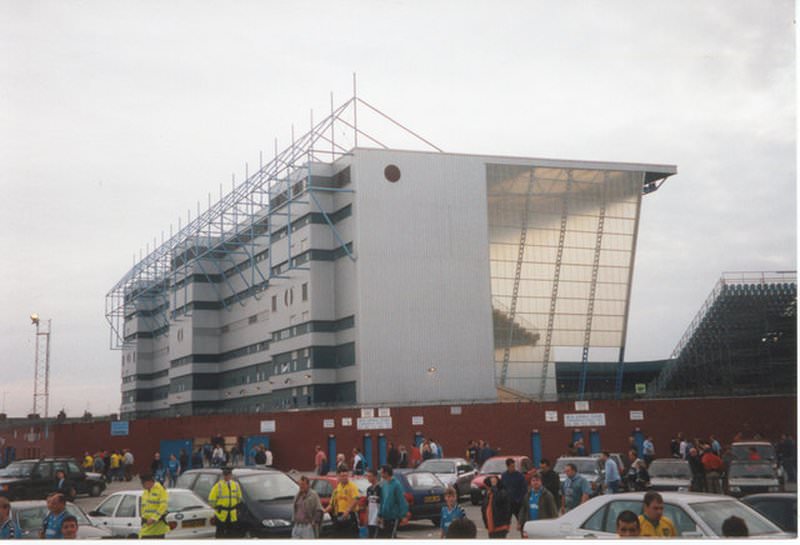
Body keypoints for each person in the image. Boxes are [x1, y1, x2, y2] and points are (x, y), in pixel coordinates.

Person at [324, 468, 360, 538]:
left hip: (350, 515)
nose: (344, 478)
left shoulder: (352, 486)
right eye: (342, 476)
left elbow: (356, 499)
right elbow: (332, 504)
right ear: (338, 477)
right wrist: (323, 511)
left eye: (346, 476)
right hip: (339, 515)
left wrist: (348, 510)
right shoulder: (337, 488)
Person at [208, 467, 243, 538]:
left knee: (232, 535)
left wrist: (237, 508)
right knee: (220, 534)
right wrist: (217, 507)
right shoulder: (218, 486)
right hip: (221, 514)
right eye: (225, 475)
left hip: (232, 514)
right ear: (223, 475)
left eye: (228, 475)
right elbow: (211, 500)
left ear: (231, 475)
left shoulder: (235, 485)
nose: (226, 476)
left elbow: (239, 498)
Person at [378, 464, 409, 538]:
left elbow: (401, 500)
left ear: (386, 473)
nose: (380, 474)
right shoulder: (384, 484)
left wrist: (403, 516)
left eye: (381, 472)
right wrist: (380, 514)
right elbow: (383, 500)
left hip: (393, 516)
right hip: (385, 516)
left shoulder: (396, 485)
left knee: (391, 536)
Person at [139, 473, 169, 539]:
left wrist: (154, 518)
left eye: (143, 483)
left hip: (157, 527)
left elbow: (163, 506)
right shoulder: (145, 491)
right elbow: (144, 507)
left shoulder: (160, 489)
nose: (142, 486)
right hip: (146, 526)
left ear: (149, 482)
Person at [500, 458, 527, 527]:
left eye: (514, 466)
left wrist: (519, 500)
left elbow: (524, 489)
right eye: (512, 466)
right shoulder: (504, 476)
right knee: (505, 522)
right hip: (508, 503)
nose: (513, 468)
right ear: (507, 466)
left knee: (521, 522)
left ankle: (524, 535)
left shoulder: (519, 476)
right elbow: (502, 488)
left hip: (517, 503)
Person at [365, 468, 382, 537]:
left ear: (375, 477)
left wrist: (380, 517)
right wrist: (366, 517)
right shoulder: (368, 489)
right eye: (367, 476)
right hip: (370, 519)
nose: (368, 478)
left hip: (377, 518)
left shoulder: (380, 488)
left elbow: (382, 504)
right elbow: (367, 505)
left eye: (370, 476)